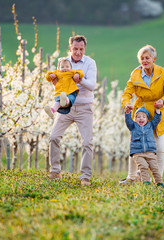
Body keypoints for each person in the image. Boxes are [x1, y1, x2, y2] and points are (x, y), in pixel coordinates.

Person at [120, 44, 164, 188]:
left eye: (147, 58)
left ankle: (159, 180)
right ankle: (131, 177)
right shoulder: (135, 74)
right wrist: (126, 103)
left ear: (154, 58)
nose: (145, 61)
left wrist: (163, 100)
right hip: (141, 113)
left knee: (160, 148)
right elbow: (127, 93)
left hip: (159, 111)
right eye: (142, 58)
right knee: (136, 146)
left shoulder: (162, 73)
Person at [48, 35, 97, 186]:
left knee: (87, 142)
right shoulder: (63, 62)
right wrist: (54, 82)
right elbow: (59, 86)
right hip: (66, 106)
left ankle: (85, 177)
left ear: (84, 49)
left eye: (81, 49)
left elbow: (92, 85)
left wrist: (79, 80)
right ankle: (55, 171)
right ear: (70, 48)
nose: (78, 52)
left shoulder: (90, 63)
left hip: (84, 108)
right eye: (75, 49)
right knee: (54, 137)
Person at [125, 106, 163, 186]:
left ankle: (159, 183)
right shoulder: (133, 126)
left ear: (147, 119)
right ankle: (146, 182)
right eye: (138, 117)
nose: (141, 118)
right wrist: (128, 113)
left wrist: (157, 110)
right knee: (143, 166)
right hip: (138, 153)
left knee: (154, 168)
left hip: (150, 152)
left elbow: (157, 119)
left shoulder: (150, 125)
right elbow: (128, 121)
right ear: (135, 119)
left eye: (143, 117)